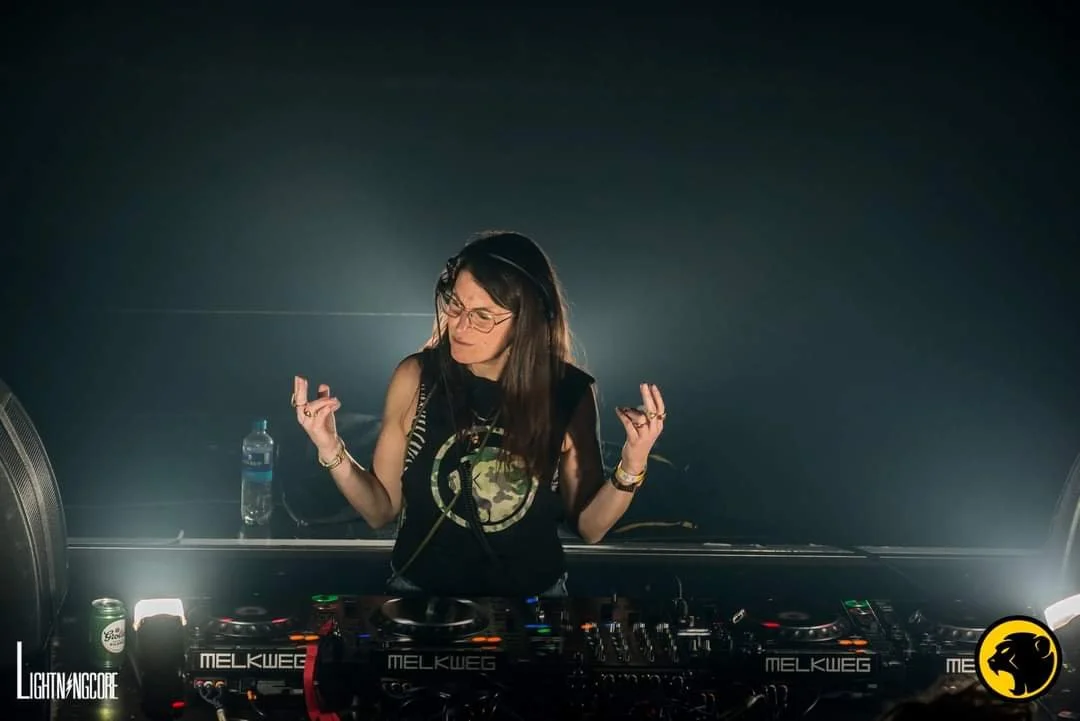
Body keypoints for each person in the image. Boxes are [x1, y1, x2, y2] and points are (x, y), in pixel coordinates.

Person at [290, 230, 667, 596]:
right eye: (456, 304)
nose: (460, 325)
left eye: (483, 315)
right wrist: (329, 446)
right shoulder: (416, 376)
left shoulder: (569, 393)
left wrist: (633, 461)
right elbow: (380, 510)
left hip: (532, 604)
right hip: (421, 598)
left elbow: (590, 527)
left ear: (527, 321)